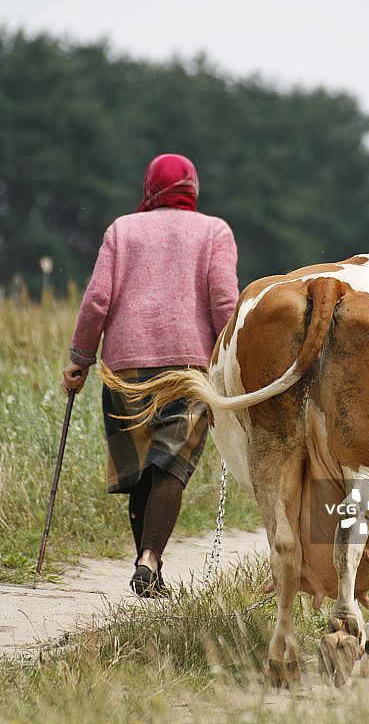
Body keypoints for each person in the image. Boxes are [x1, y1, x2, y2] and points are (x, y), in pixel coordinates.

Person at [62, 153, 239, 597]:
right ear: (192, 190)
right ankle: (150, 559)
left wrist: (80, 359)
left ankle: (148, 569)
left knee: (142, 469)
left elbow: (97, 299)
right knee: (170, 466)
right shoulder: (214, 230)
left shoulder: (121, 229)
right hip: (187, 369)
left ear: (150, 187)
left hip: (125, 368)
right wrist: (235, 363)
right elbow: (224, 303)